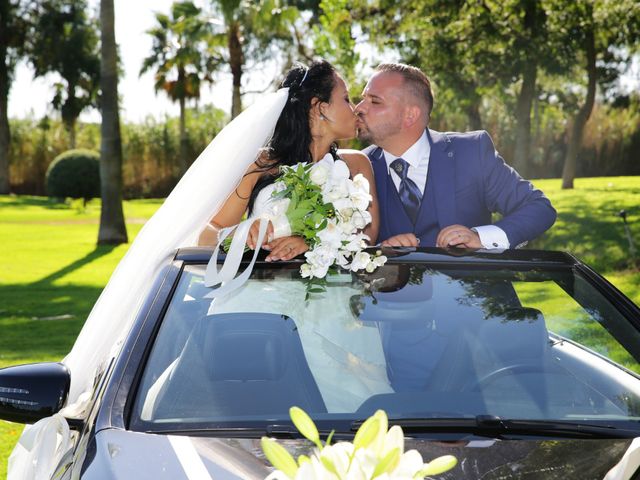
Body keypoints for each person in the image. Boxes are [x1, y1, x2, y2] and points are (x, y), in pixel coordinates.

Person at [354, 63, 556, 249]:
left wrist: (481, 238)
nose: (359, 108)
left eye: (375, 101)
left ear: (410, 115)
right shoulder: (356, 169)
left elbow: (538, 207)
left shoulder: (471, 153)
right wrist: (379, 256)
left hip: (475, 288)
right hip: (395, 290)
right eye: (363, 99)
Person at [198, 60, 379, 260]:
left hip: (334, 289)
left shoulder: (358, 164)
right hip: (263, 285)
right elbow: (207, 236)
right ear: (320, 108)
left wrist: (311, 244)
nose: (354, 109)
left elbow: (367, 238)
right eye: (346, 99)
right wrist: (242, 233)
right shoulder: (261, 164)